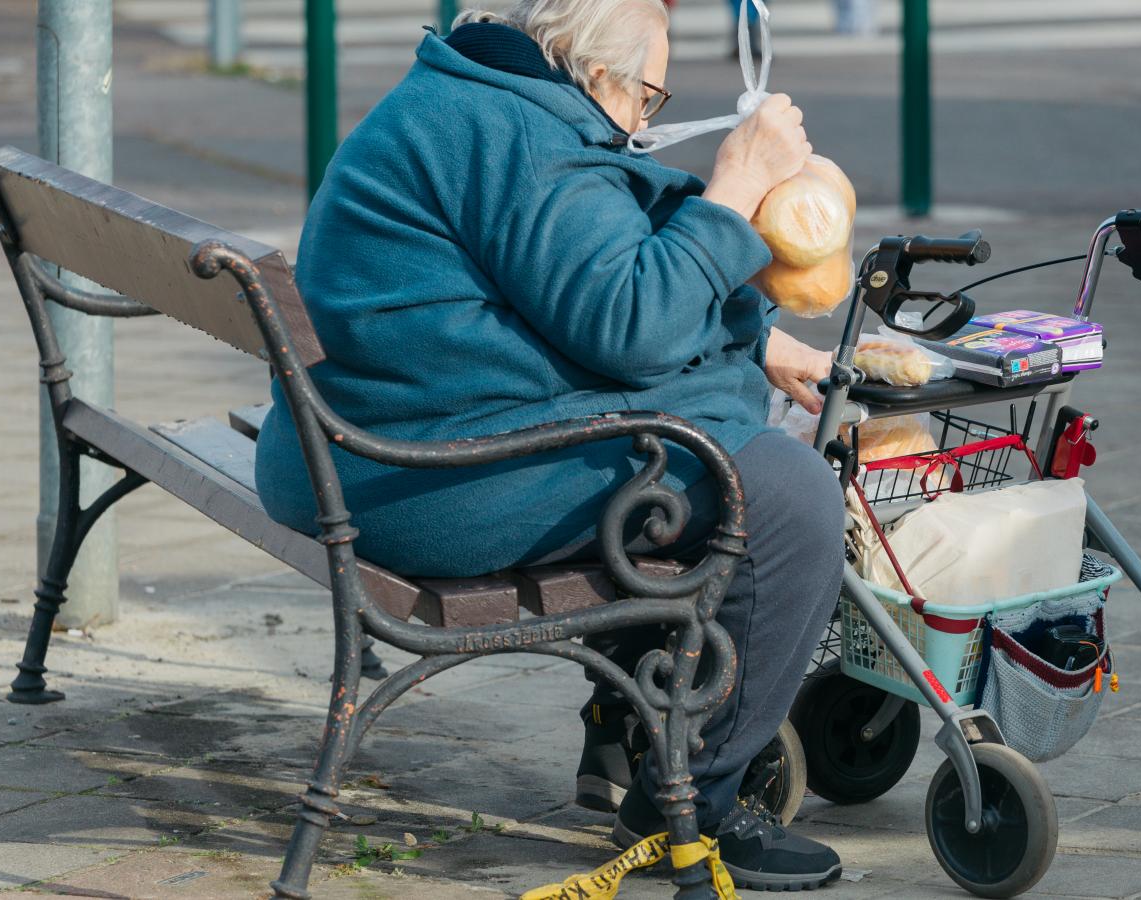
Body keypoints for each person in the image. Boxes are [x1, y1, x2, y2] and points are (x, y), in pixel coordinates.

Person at [253, 0, 846, 889]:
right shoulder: (525, 140)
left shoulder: (477, 92)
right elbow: (628, 324)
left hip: (355, 450)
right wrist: (736, 183)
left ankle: (625, 726)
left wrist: (753, 339)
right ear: (597, 75)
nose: (649, 118)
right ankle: (693, 801)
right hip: (418, 481)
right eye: (650, 93)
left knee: (691, 440)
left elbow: (565, 278)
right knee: (782, 492)